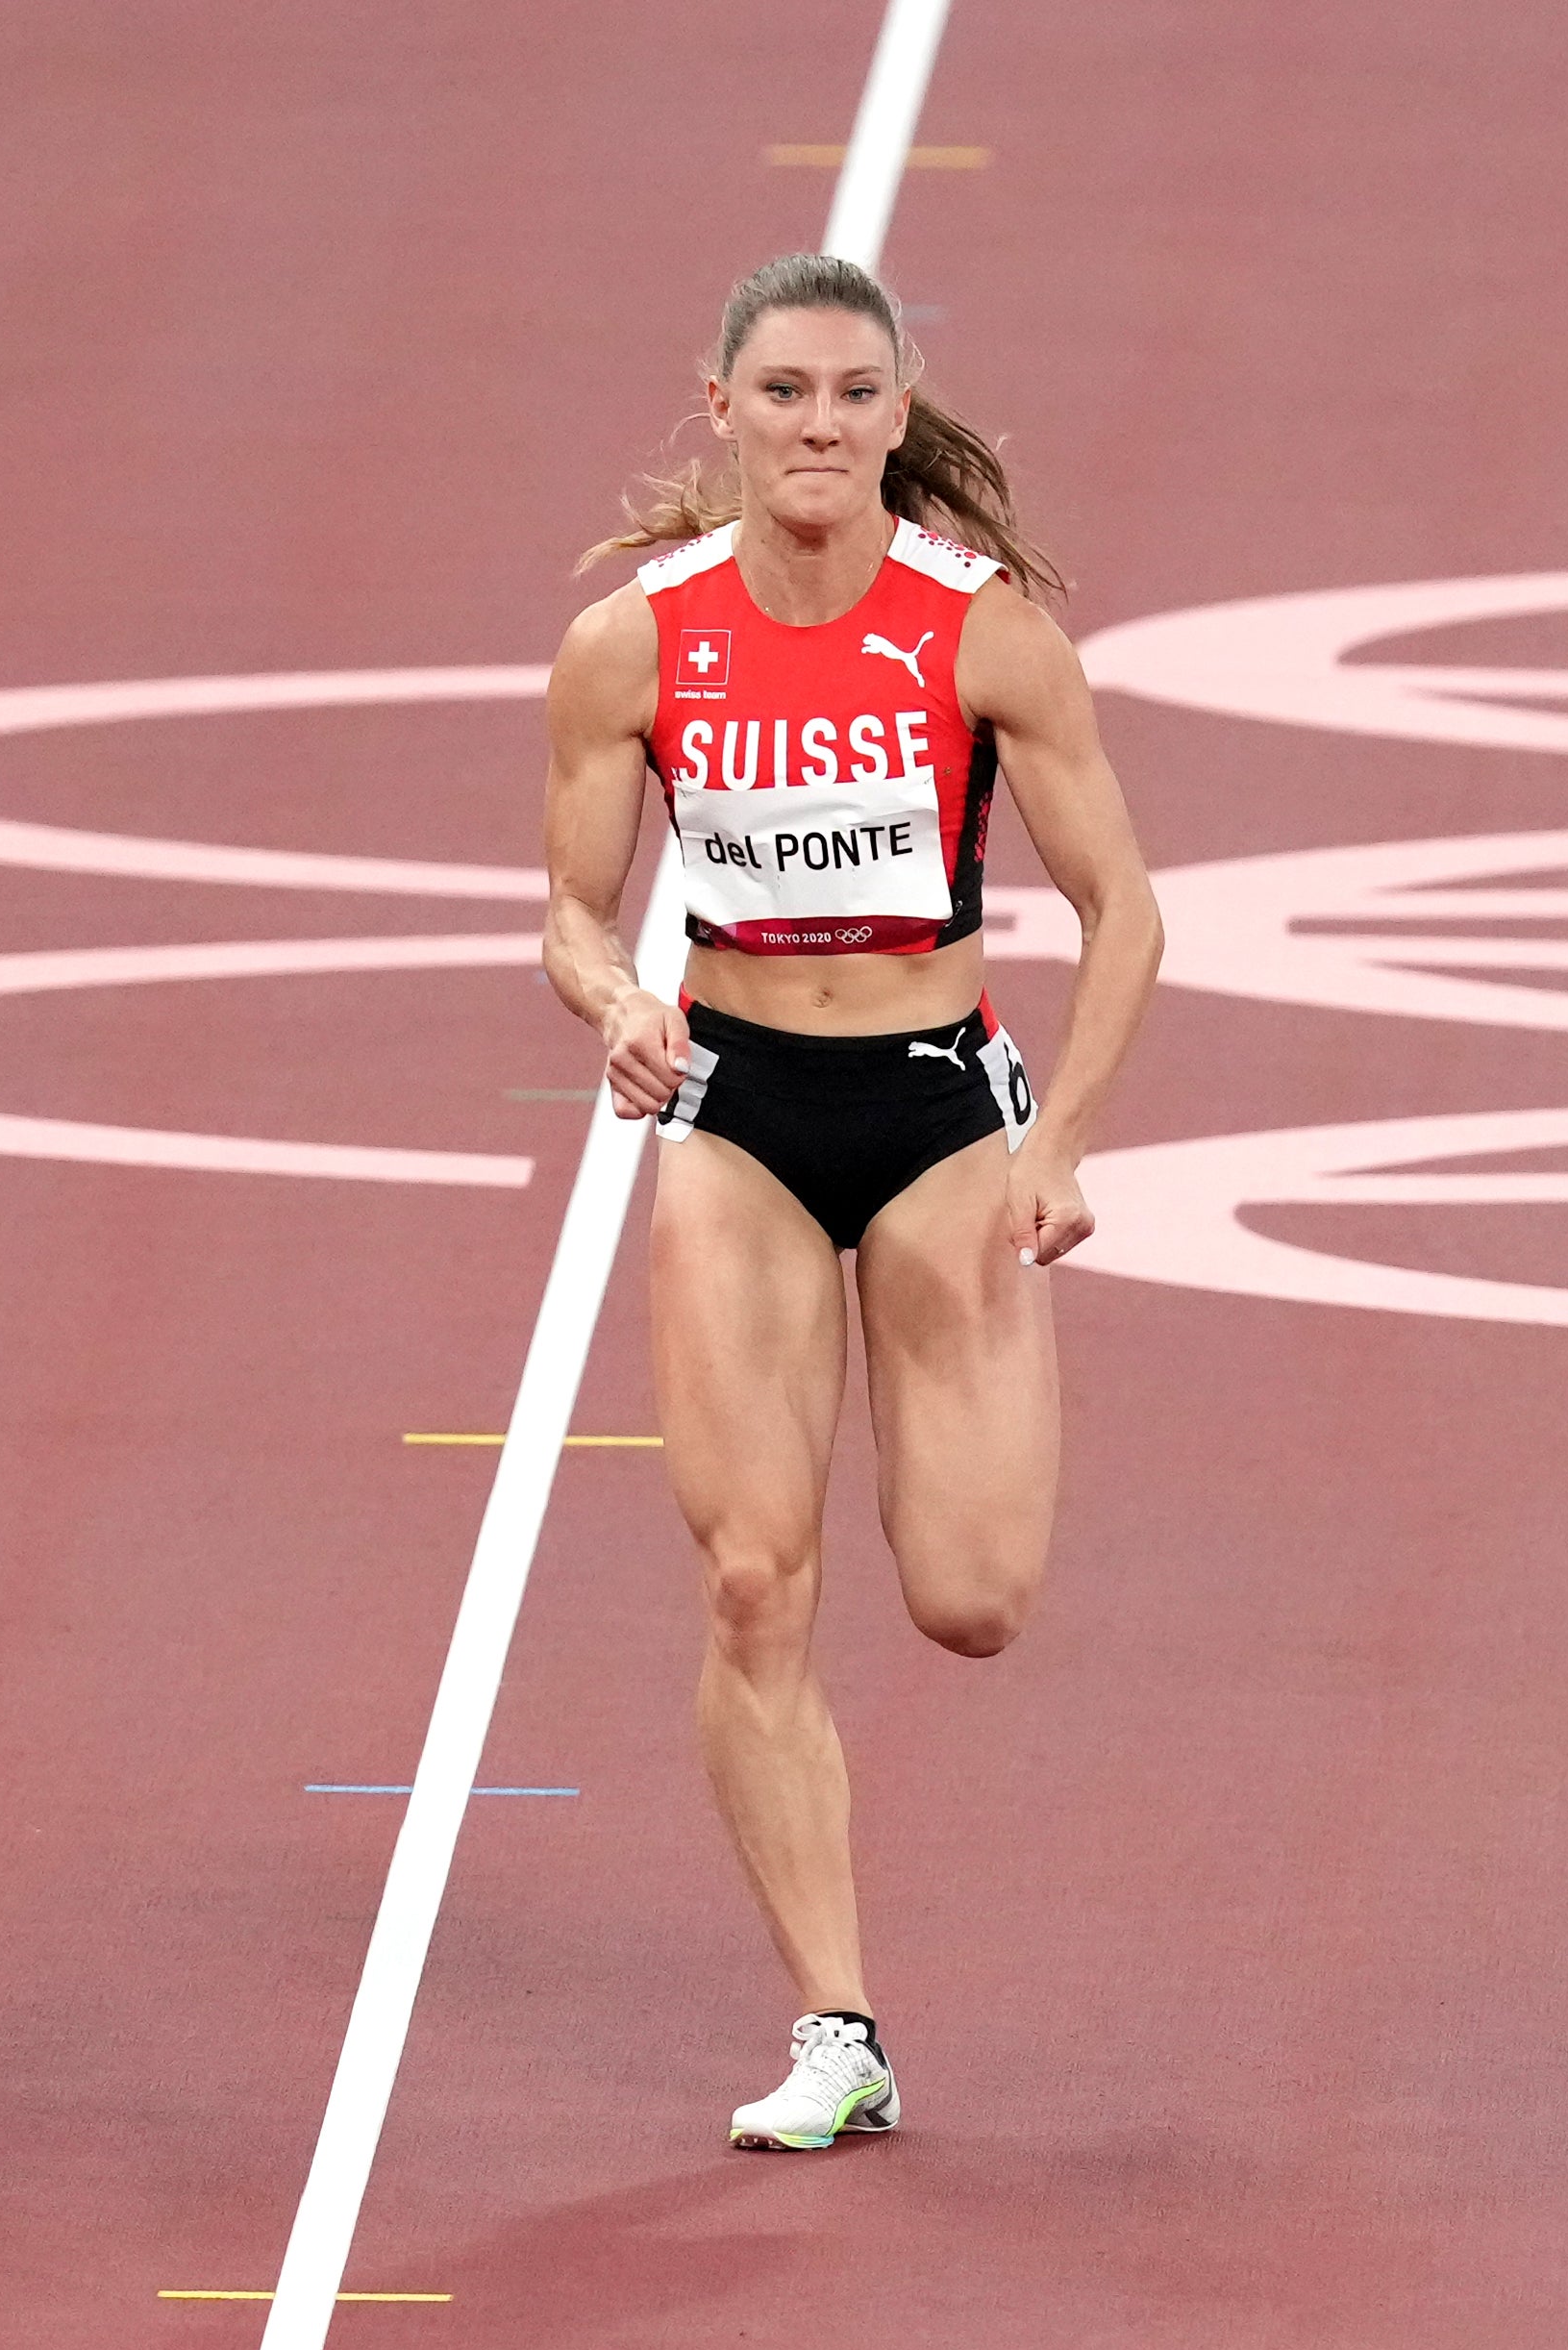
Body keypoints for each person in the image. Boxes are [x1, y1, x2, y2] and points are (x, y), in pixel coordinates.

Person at [542, 251, 1160, 2152]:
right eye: (784, 392)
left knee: (971, 1600)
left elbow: (1127, 909)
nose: (818, 426)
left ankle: (955, 1363)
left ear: (898, 417)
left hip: (935, 1110)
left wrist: (1057, 1140)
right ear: (719, 409)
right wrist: (616, 997)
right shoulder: (632, 644)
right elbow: (570, 903)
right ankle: (835, 2023)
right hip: (735, 1111)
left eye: (850, 395)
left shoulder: (982, 636)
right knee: (749, 1580)